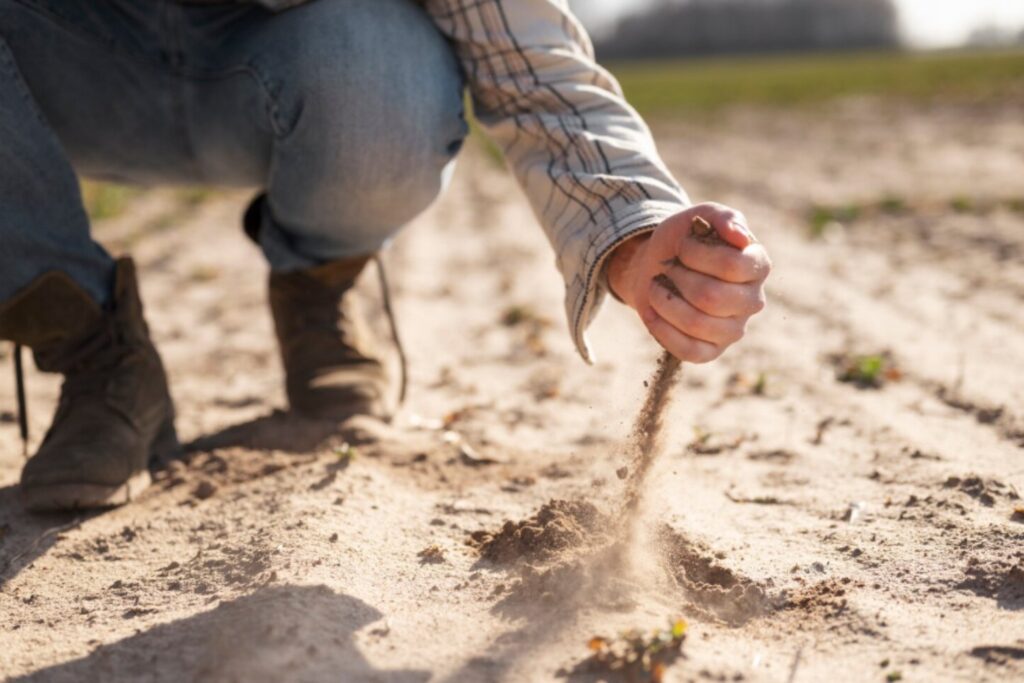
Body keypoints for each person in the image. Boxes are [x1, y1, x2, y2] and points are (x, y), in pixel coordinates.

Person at [0, 0, 771, 512]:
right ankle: (92, 345)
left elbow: (530, 64)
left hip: (286, 68)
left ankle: (319, 282)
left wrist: (632, 234)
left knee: (382, 62)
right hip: (60, 68)